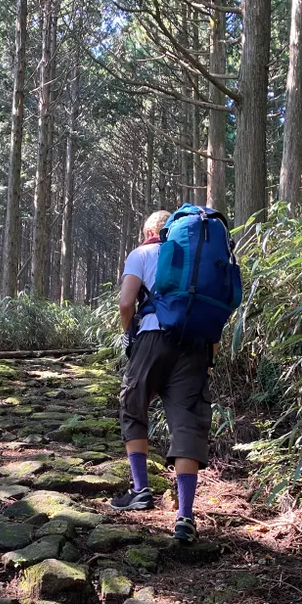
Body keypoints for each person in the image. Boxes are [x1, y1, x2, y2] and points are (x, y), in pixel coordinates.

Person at [110, 209, 214, 543]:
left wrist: (129, 335)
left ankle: (141, 489)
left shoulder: (142, 253)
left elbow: (127, 303)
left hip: (153, 336)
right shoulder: (196, 258)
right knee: (186, 423)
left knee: (133, 404)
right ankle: (185, 516)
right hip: (196, 345)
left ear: (148, 232)